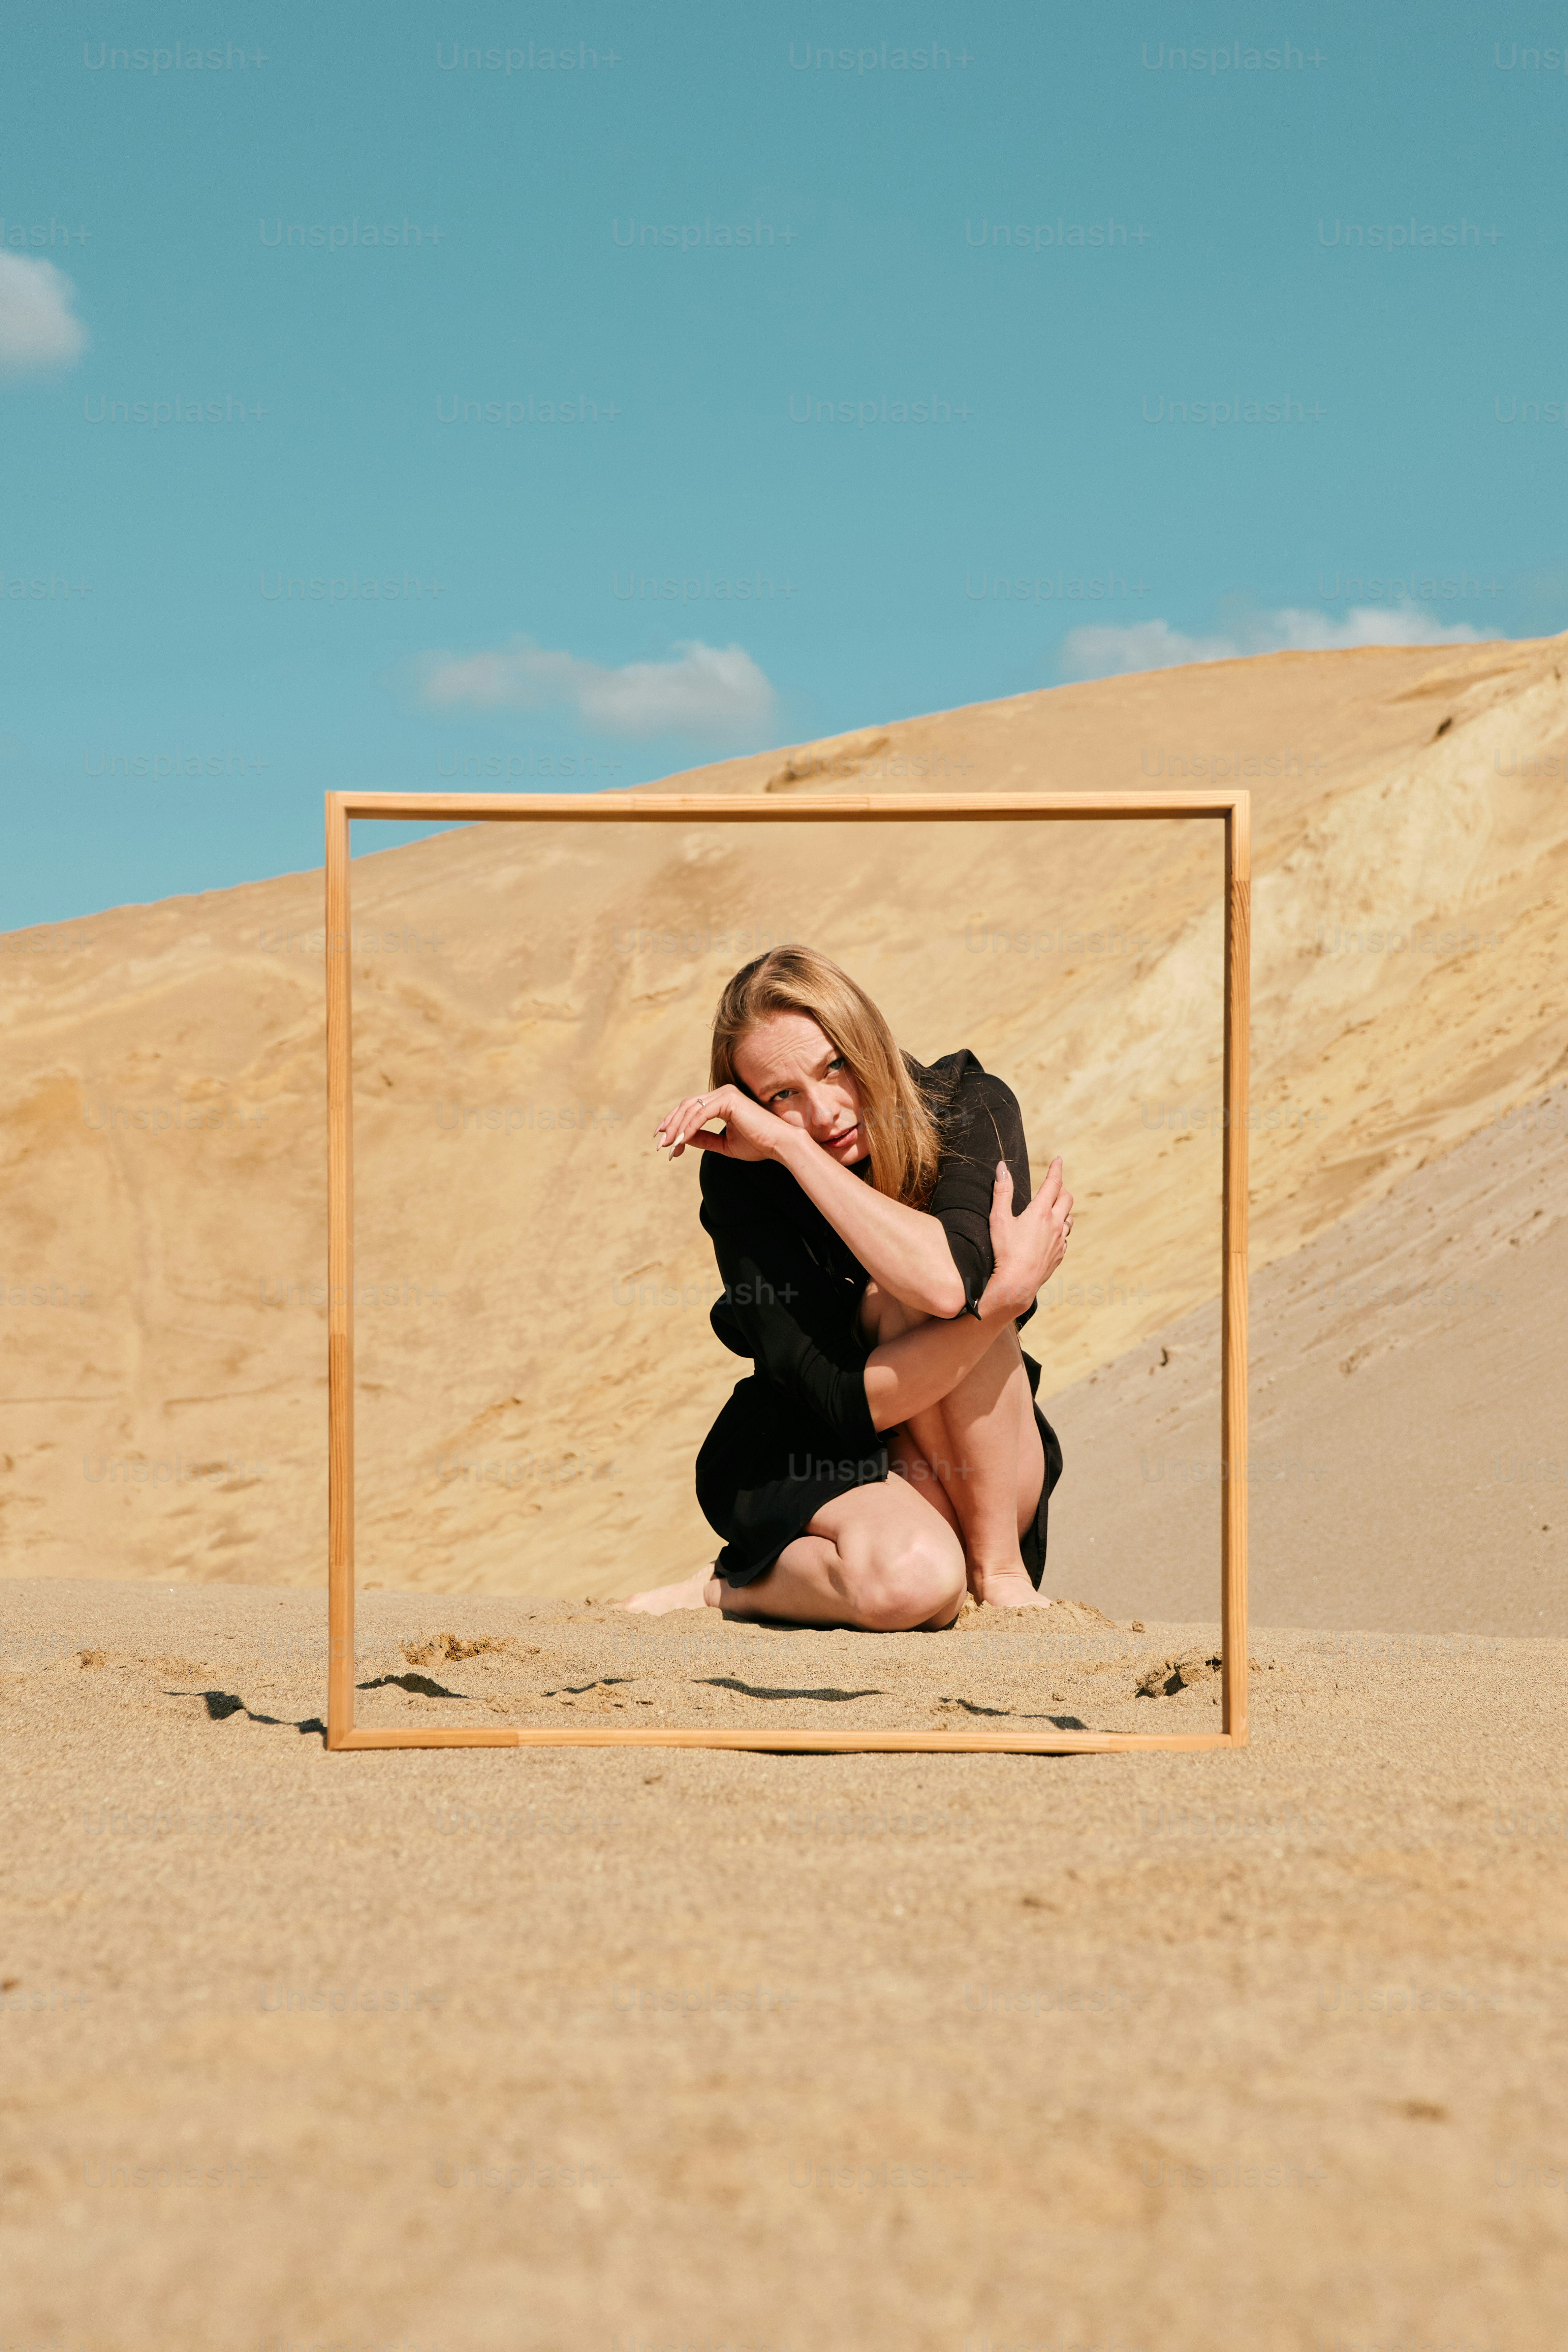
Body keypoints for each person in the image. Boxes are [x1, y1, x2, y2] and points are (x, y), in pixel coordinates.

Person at [622, 945, 1072, 1630]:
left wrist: (986, 1309)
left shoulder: (966, 1105)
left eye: (834, 1066)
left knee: (902, 1291)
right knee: (914, 1583)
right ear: (753, 1106)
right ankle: (732, 1587)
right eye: (782, 1097)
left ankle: (1000, 1571)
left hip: (975, 1453)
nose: (825, 1112)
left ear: (866, 1040)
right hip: (816, 1441)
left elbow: (944, 1282)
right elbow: (838, 1394)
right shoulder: (745, 1174)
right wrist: (789, 1151)